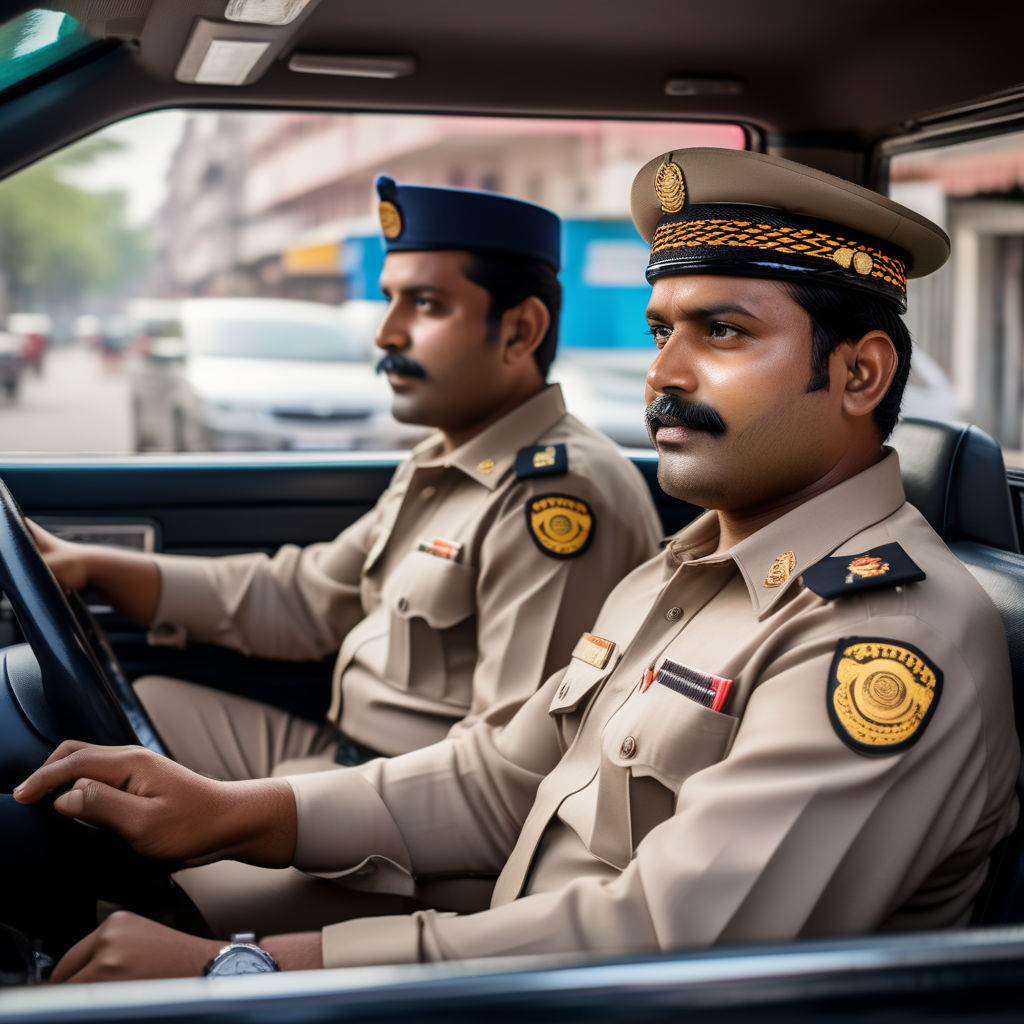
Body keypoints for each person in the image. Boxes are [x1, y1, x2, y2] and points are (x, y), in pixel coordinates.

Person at [16, 147, 1018, 983]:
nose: (665, 375)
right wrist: (240, 811)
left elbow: (661, 946)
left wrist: (245, 968)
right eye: (661, 330)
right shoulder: (694, 563)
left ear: (858, 372)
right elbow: (505, 772)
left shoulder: (880, 638)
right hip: (510, 954)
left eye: (722, 332)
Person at [32, 177, 663, 781]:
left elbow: (510, 768)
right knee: (137, 710)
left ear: (520, 330)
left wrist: (263, 814)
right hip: (347, 757)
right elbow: (304, 598)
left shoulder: (557, 495)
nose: (387, 333)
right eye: (391, 300)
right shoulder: (443, 461)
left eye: (427, 304)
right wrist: (94, 566)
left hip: (422, 826)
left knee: (168, 871)